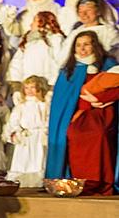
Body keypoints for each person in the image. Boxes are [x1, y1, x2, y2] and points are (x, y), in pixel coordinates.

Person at [46, 31, 119, 195]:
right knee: (73, 133)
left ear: (95, 45)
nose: (82, 49)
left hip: (104, 113)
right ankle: (79, 180)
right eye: (78, 45)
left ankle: (102, 182)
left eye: (86, 44)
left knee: (100, 134)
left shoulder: (108, 65)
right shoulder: (69, 70)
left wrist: (101, 98)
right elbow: (62, 101)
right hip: (78, 115)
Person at [4, 76, 50, 187]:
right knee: (23, 158)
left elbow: (48, 118)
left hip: (38, 136)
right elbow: (14, 120)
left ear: (39, 89)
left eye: (32, 87)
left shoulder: (44, 105)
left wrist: (45, 130)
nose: (29, 91)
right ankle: (21, 180)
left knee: (38, 158)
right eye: (26, 88)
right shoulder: (21, 106)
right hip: (25, 136)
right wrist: (18, 130)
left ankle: (38, 181)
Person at [8, 11, 65, 89]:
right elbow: (16, 63)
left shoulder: (55, 39)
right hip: (27, 88)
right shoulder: (28, 41)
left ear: (43, 23)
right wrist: (17, 86)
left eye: (34, 21)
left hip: (45, 87)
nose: (31, 24)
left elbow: (58, 63)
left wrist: (52, 86)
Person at [60, 0, 119, 64]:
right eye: (80, 12)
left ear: (98, 11)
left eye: (88, 10)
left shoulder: (109, 32)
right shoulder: (74, 33)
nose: (84, 14)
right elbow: (64, 57)